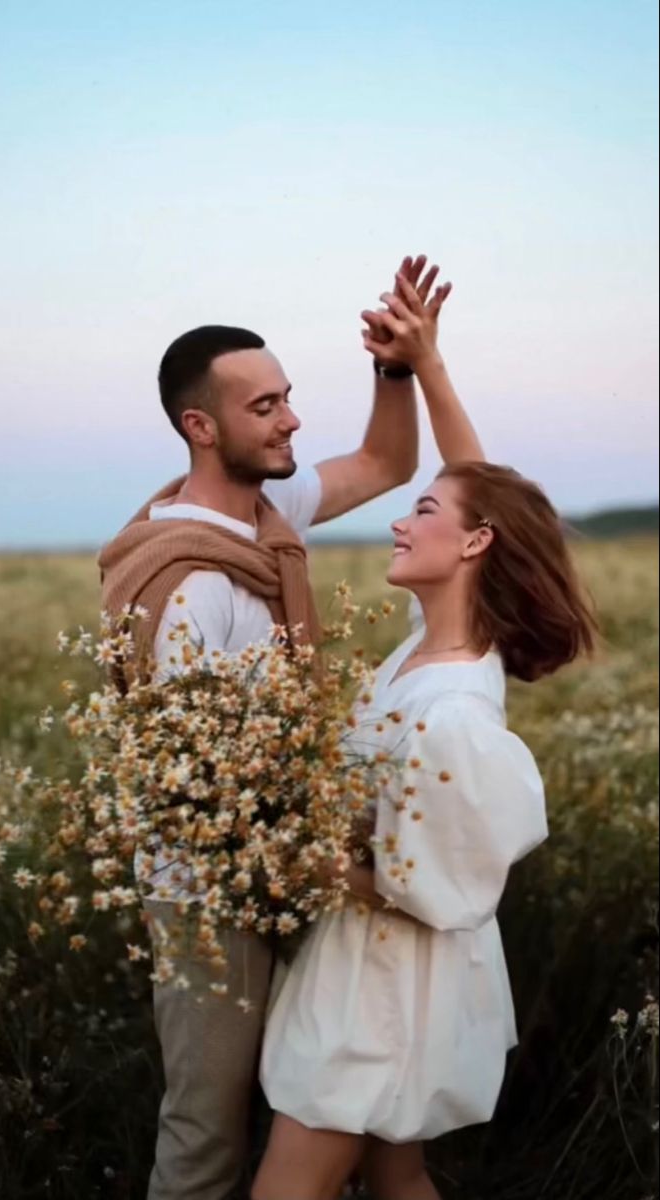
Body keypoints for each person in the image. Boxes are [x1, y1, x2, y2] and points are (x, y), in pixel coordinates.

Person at [98, 255, 482, 1200]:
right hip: (210, 894)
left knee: (323, 1116)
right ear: (201, 427)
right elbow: (190, 785)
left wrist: (395, 369)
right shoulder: (189, 580)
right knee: (207, 1139)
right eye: (263, 406)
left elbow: (390, 464)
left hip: (297, 868)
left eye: (288, 398)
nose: (290, 420)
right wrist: (340, 873)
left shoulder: (270, 517)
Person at [253, 276, 598, 1200]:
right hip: (363, 968)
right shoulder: (430, 646)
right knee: (397, 1179)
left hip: (386, 990)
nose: (399, 519)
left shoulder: (456, 712)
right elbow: (482, 493)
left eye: (424, 512)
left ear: (474, 545)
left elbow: (444, 891)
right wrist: (423, 365)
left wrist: (302, 857)